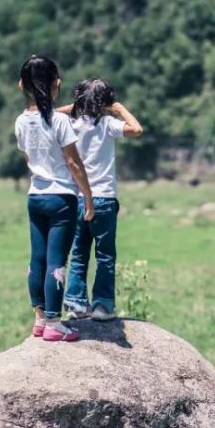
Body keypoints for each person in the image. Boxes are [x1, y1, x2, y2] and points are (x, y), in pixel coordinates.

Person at [16, 55, 94, 342]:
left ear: (21, 85)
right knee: (56, 262)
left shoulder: (21, 122)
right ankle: (53, 322)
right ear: (56, 85)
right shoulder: (60, 121)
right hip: (61, 197)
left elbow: (28, 157)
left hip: (35, 196)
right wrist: (87, 196)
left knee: (37, 259)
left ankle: (39, 319)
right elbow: (74, 163)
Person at [60, 78, 143, 321]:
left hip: (76, 198)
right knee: (105, 256)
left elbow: (50, 112)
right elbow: (137, 129)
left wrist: (77, 106)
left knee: (78, 253)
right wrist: (117, 108)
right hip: (104, 198)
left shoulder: (70, 123)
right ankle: (102, 307)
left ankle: (76, 304)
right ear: (106, 102)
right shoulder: (108, 123)